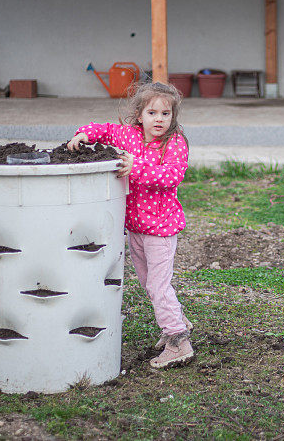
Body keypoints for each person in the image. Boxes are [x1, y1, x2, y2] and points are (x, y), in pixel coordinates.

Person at [68, 81, 194, 368]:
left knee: (158, 287)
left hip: (161, 230)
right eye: (152, 113)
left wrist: (135, 168)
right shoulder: (131, 137)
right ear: (140, 115)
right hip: (136, 228)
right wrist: (85, 133)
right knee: (150, 284)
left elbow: (172, 176)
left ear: (173, 117)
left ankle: (178, 341)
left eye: (165, 114)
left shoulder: (174, 143)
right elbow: (108, 130)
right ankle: (177, 320)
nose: (159, 119)